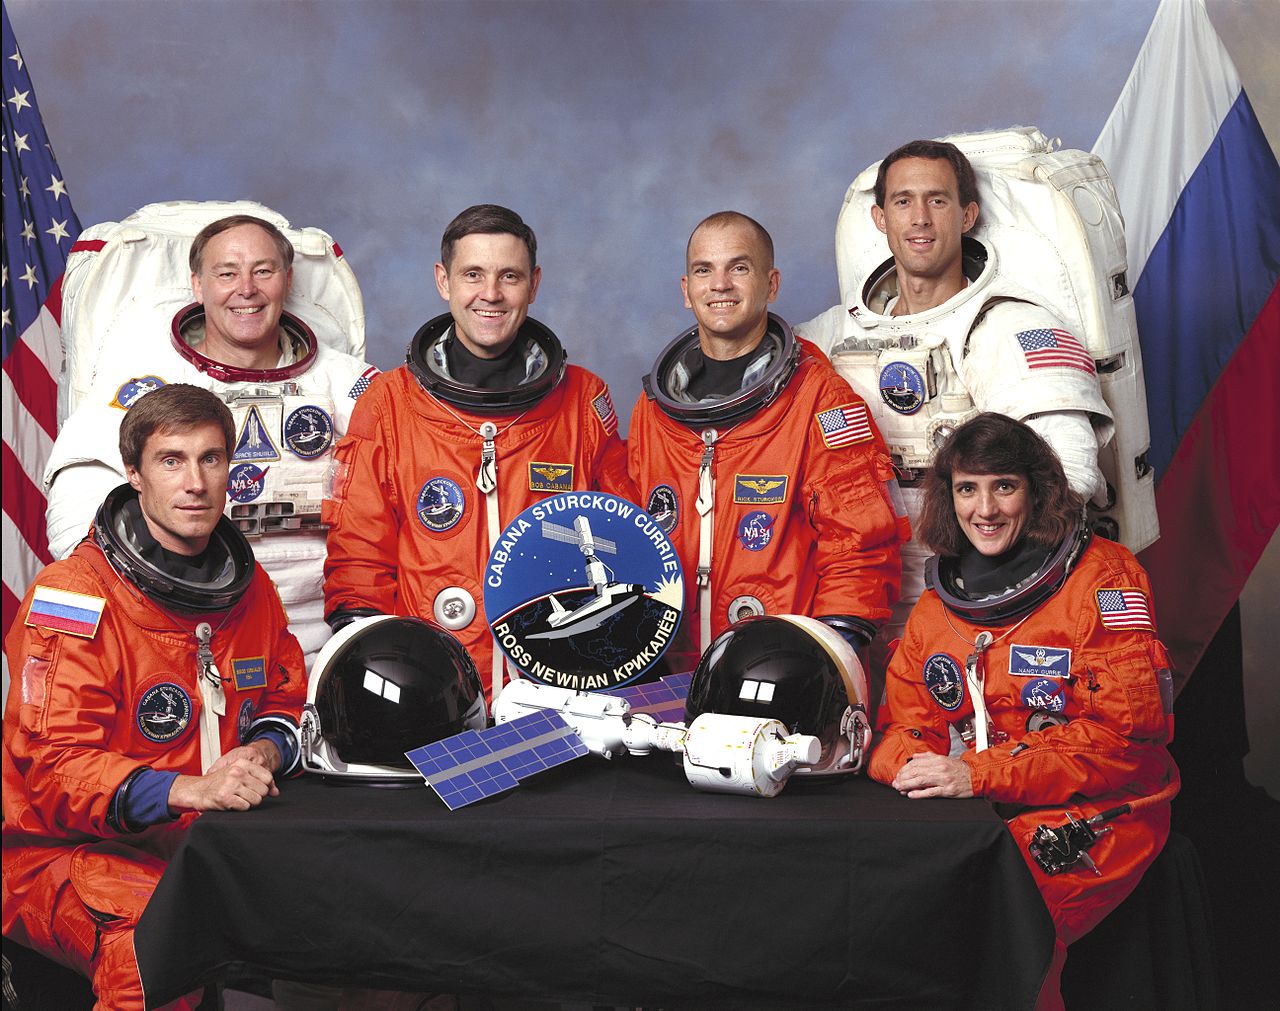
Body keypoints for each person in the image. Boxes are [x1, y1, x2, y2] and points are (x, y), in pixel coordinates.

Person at [3, 384, 306, 1011]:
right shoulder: (74, 599)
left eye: (211, 458)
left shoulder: (246, 590)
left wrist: (265, 754)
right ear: (135, 475)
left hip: (202, 842)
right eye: (171, 460)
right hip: (62, 853)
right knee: (153, 943)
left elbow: (284, 692)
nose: (194, 482)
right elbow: (55, 770)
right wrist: (191, 789)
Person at [868, 413, 1178, 1009]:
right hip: (988, 805)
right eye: (967, 488)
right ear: (948, 497)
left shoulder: (1104, 581)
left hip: (1107, 807)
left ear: (1037, 491)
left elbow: (1125, 739)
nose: (985, 509)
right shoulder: (939, 606)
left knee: (1004, 915)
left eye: (1003, 486)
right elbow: (902, 726)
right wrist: (912, 765)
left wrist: (979, 773)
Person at [797, 140, 1114, 652]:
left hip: (973, 599)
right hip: (856, 596)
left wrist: (994, 583)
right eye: (903, 202)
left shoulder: (1012, 327)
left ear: (968, 215)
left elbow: (1069, 477)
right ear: (880, 218)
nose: (920, 218)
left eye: (937, 200)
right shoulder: (832, 335)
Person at [324, 204, 635, 700]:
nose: (491, 294)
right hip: (430, 686)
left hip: (557, 684)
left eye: (509, 276)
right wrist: (380, 667)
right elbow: (360, 551)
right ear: (443, 281)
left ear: (533, 284)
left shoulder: (581, 400)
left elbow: (629, 536)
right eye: (473, 274)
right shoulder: (389, 403)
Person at [43, 214, 377, 664]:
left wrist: (361, 624)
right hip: (188, 629)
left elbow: (403, 479)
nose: (246, 288)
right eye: (226, 273)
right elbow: (77, 512)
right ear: (198, 286)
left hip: (329, 634)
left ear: (287, 280)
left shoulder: (346, 383)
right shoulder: (145, 383)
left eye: (263, 270)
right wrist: (153, 608)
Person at [628, 211, 905, 670]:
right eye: (704, 270)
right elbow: (630, 537)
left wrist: (824, 658)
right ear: (685, 290)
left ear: (771, 283)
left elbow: (860, 547)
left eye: (739, 268)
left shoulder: (819, 398)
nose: (720, 285)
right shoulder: (655, 409)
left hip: (779, 668)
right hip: (667, 671)